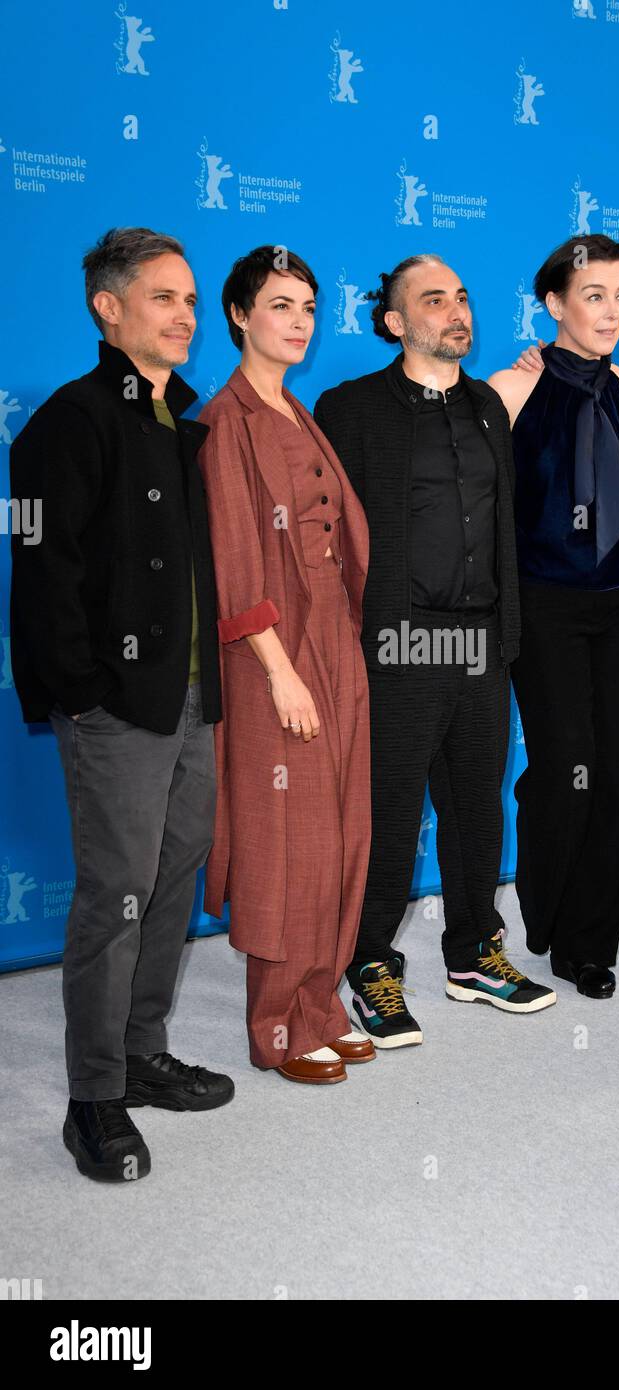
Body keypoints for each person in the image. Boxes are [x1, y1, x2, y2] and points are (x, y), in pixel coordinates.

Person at [9, 227, 233, 1183]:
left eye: (189, 299)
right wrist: (84, 696)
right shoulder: (67, 421)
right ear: (110, 308)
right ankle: (93, 1099)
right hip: (116, 708)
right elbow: (39, 570)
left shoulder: (183, 421)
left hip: (191, 697)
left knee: (175, 878)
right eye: (163, 298)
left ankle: (142, 1057)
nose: (185, 316)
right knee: (119, 896)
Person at [313, 254, 556, 1049]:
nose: (456, 310)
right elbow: (325, 539)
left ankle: (474, 953)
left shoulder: (488, 405)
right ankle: (370, 962)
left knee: (477, 807)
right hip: (400, 641)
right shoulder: (349, 410)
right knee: (388, 813)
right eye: (433, 300)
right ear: (394, 322)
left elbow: (503, 528)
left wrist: (507, 635)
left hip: (482, 639)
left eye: (461, 296)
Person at [197, 246, 373, 1085]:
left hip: (337, 636)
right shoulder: (223, 423)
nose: (298, 323)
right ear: (240, 314)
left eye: (308, 307)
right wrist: (279, 670)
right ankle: (277, 1027)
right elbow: (235, 564)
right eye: (279, 306)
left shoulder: (301, 416)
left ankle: (322, 1007)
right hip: (274, 652)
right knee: (288, 842)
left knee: (343, 831)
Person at [489, 235, 619, 998]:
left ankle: (592, 944)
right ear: (555, 304)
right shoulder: (512, 388)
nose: (612, 310)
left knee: (617, 768)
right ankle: (545, 903)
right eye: (594, 294)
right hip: (547, 601)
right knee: (565, 768)